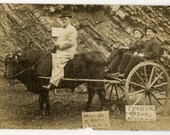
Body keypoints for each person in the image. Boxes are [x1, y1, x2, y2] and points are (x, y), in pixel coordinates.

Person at [43, 12, 78, 90]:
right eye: (62, 20)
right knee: (49, 58)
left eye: (66, 19)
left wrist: (58, 44)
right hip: (61, 50)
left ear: (70, 19)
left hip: (67, 51)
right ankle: (54, 78)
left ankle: (52, 83)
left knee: (58, 62)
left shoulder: (72, 29)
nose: (64, 21)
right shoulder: (63, 28)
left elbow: (71, 43)